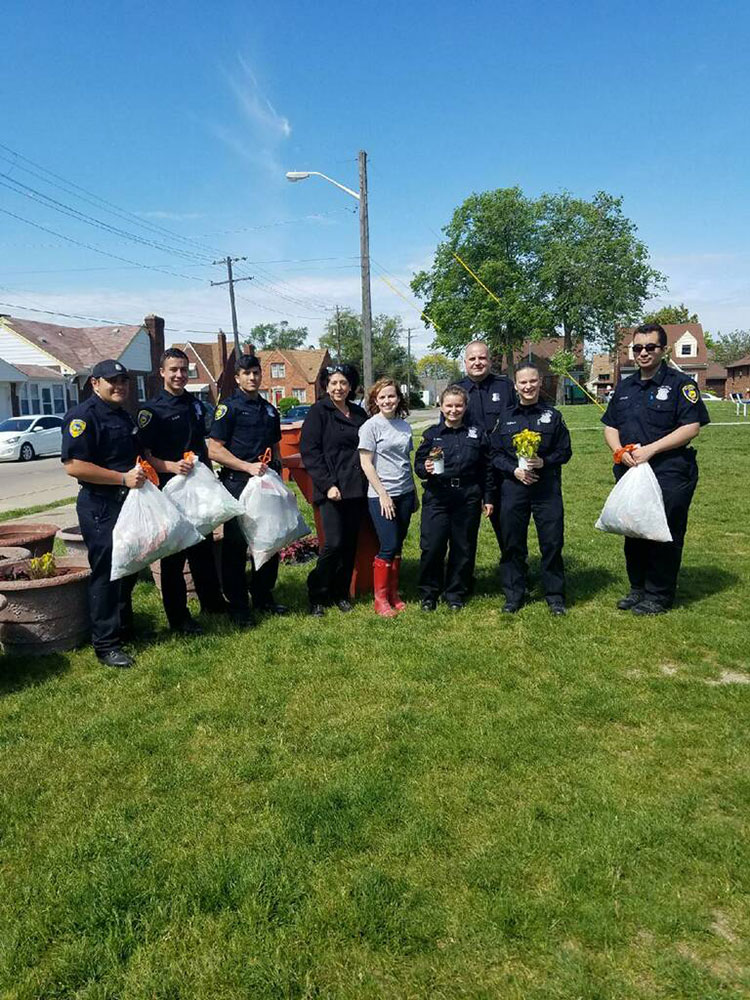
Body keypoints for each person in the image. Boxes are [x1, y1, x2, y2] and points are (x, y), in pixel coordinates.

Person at [601, 323, 710, 614]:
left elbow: (691, 427)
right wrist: (617, 450)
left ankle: (659, 595)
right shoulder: (625, 386)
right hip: (632, 471)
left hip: (669, 470)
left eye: (650, 347)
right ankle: (638, 588)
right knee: (633, 529)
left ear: (663, 350)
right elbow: (610, 426)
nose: (643, 353)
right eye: (638, 348)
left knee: (664, 532)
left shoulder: (680, 384)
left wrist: (651, 450)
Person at [61, 360, 146, 668]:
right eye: (112, 380)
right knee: (107, 572)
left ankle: (123, 627)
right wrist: (122, 478)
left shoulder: (123, 416)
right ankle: (106, 644)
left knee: (129, 566)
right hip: (101, 504)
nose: (119, 385)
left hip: (128, 501)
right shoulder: (83, 417)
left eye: (123, 380)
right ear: (94, 383)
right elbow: (74, 466)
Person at [137, 348, 227, 635]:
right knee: (174, 556)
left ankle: (212, 603)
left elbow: (204, 445)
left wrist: (212, 480)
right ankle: (179, 618)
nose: (179, 375)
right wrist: (170, 467)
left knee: (202, 547)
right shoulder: (151, 411)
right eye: (173, 369)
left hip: (197, 488)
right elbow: (144, 455)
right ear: (162, 372)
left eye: (183, 370)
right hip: (169, 490)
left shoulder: (196, 405)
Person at [207, 354, 286, 625]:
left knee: (269, 540)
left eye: (256, 373)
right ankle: (239, 606)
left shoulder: (269, 410)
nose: (252, 378)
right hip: (238, 483)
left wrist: (279, 475)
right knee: (236, 547)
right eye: (246, 373)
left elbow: (276, 448)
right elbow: (214, 449)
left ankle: (263, 596)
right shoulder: (228, 409)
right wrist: (246, 466)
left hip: (266, 484)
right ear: (237, 378)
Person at [490, 363, 572, 615]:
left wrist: (545, 461)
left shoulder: (552, 416)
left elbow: (565, 451)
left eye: (532, 381)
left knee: (552, 542)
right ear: (515, 386)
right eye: (523, 382)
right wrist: (513, 469)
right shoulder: (505, 417)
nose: (528, 387)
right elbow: (494, 453)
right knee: (513, 543)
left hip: (546, 488)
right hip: (514, 488)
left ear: (540, 382)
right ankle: (514, 594)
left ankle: (554, 594)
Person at [415, 385, 495, 611]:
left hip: (467, 497)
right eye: (449, 405)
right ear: (441, 406)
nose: (453, 410)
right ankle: (429, 593)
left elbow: (486, 469)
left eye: (458, 405)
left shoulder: (477, 434)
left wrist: (488, 497)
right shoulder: (432, 434)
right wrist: (426, 467)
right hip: (438, 497)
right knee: (432, 546)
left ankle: (455, 593)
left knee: (463, 546)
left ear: (465, 407)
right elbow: (419, 466)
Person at [300, 363, 368, 616]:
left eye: (343, 383)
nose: (339, 388)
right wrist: (328, 485)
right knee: (333, 544)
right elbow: (310, 452)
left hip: (357, 488)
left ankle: (340, 593)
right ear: (326, 386)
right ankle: (317, 593)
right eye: (334, 383)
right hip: (330, 489)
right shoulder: (319, 412)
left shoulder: (359, 414)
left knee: (350, 545)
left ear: (351, 386)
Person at [358, 378, 418, 617]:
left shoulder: (405, 426)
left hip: (404, 493)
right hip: (381, 495)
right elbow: (366, 463)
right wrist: (383, 494)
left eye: (391, 396)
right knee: (389, 544)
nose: (387, 401)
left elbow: (406, 462)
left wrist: (413, 492)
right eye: (382, 397)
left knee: (398, 546)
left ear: (398, 398)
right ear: (375, 401)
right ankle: (380, 600)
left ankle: (394, 594)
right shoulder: (370, 427)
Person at [455, 340, 516, 550]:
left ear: (490, 361)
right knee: (465, 527)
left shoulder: (505, 386)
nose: (477, 362)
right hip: (470, 468)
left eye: (482, 358)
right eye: (472, 358)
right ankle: (463, 578)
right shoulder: (456, 389)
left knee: (507, 525)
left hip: (502, 467)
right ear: (465, 362)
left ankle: (514, 574)